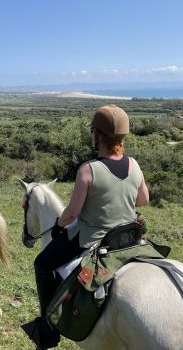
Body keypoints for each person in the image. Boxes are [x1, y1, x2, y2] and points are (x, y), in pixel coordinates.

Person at [29, 105, 149, 348]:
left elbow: (72, 212)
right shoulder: (134, 164)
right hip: (128, 237)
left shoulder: (88, 169)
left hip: (94, 239)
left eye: (94, 131)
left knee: (41, 263)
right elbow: (143, 199)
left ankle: (48, 327)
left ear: (98, 135)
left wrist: (58, 225)